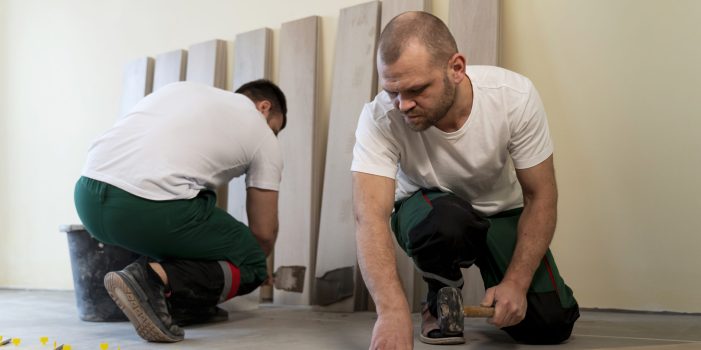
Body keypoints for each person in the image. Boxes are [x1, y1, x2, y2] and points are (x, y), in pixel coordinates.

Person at [352, 11, 579, 349]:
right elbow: (369, 216)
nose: (403, 105)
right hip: (430, 211)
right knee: (448, 220)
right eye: (392, 91)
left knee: (549, 324)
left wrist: (516, 283)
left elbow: (541, 195)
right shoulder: (380, 117)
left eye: (416, 89)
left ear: (456, 68)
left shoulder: (513, 98)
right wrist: (391, 311)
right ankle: (438, 298)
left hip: (499, 210)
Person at [74, 79, 287, 342]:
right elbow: (263, 233)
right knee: (252, 261)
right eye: (275, 128)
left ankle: (176, 303)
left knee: (199, 198)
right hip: (143, 209)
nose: (272, 134)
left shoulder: (181, 89)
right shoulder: (263, 135)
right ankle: (150, 279)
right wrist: (249, 268)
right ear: (264, 107)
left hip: (87, 198)